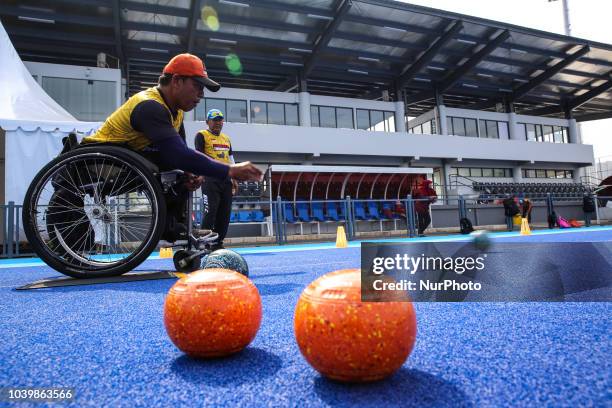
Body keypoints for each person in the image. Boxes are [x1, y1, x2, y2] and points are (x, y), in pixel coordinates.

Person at [81, 53, 262, 241]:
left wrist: (191, 173)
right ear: (176, 81)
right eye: (197, 86)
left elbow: (181, 152)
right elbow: (180, 155)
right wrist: (229, 170)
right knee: (174, 167)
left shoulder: (175, 113)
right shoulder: (150, 106)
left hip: (125, 160)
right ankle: (169, 226)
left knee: (182, 174)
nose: (201, 94)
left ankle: (176, 226)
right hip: (96, 162)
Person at [194, 109, 238, 249]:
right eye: (215, 120)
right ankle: (204, 243)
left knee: (224, 214)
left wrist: (235, 177)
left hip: (226, 179)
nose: (218, 122)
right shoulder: (201, 135)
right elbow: (199, 157)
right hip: (210, 179)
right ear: (208, 122)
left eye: (220, 120)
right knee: (210, 212)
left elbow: (231, 159)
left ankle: (218, 243)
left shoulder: (226, 138)